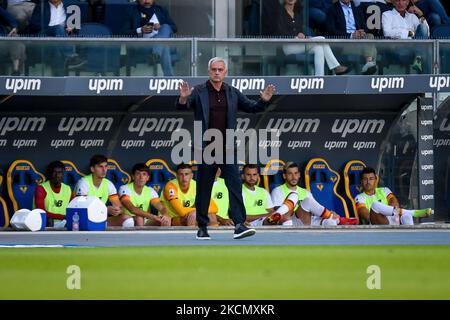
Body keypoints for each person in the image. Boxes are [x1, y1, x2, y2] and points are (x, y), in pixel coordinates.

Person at [177, 56, 276, 240]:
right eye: (213, 69)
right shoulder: (198, 91)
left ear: (225, 72)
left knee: (235, 185)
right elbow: (183, 107)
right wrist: (183, 98)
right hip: (206, 146)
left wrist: (263, 100)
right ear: (208, 72)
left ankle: (239, 224)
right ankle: (202, 227)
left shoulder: (232, 92)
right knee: (204, 188)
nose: (216, 72)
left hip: (228, 146)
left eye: (220, 69)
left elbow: (252, 108)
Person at [277, 0, 350, 76]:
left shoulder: (298, 13)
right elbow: (280, 31)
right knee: (321, 39)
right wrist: (295, 36)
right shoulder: (279, 12)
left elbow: (300, 30)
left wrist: (301, 33)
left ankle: (319, 78)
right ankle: (336, 67)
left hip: (300, 44)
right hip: (287, 46)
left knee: (319, 48)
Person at [271, 162, 357, 226]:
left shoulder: (305, 191)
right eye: (290, 174)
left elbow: (317, 208)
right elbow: (278, 213)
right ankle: (338, 219)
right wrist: (298, 209)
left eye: (296, 173)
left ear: (299, 175)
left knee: (331, 222)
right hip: (292, 221)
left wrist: (329, 214)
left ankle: (335, 220)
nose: (294, 177)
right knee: (307, 202)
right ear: (284, 176)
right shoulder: (278, 191)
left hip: (309, 220)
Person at [355, 167, 433, 225]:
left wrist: (389, 214)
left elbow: (395, 203)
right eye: (365, 179)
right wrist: (383, 213)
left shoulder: (384, 190)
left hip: (393, 219)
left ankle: (411, 241)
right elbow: (367, 216)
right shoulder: (359, 198)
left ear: (376, 180)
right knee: (375, 205)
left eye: (371, 179)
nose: (368, 182)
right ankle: (414, 213)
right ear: (361, 181)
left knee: (407, 216)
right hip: (376, 223)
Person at [29, 0, 86, 76]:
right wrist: (52, 28)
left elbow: (77, 29)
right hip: (44, 37)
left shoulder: (70, 7)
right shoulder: (41, 6)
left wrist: (71, 28)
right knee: (58, 28)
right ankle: (70, 56)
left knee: (57, 50)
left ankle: (59, 81)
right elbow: (33, 25)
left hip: (59, 42)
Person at [122, 0, 177, 76]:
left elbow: (174, 27)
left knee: (166, 27)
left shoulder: (161, 10)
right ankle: (170, 80)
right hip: (143, 45)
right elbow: (124, 32)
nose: (146, 1)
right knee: (164, 45)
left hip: (157, 45)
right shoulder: (131, 11)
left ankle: (156, 53)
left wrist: (160, 27)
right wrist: (140, 30)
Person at [325, 0, 379, 75]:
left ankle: (369, 64)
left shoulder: (356, 9)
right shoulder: (332, 9)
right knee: (373, 49)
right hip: (343, 43)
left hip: (358, 41)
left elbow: (365, 27)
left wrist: (361, 32)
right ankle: (369, 66)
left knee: (370, 36)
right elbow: (330, 31)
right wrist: (351, 35)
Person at [160, 163, 218, 227]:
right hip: (171, 218)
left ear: (191, 175)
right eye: (181, 174)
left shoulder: (197, 186)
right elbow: (181, 212)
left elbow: (215, 208)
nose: (184, 178)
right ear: (176, 175)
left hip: (189, 215)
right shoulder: (170, 186)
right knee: (193, 217)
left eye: (186, 174)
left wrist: (196, 212)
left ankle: (213, 237)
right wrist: (197, 211)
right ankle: (190, 236)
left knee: (212, 217)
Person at [74, 154, 126, 226]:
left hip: (101, 219)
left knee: (126, 218)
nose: (104, 170)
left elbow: (120, 207)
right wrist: (106, 209)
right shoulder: (84, 183)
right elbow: (81, 208)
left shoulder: (108, 184)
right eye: (100, 166)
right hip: (84, 220)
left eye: (105, 166)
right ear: (92, 169)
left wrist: (118, 210)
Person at [382, 0, 430, 72]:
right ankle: (427, 77)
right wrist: (409, 33)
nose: (400, 3)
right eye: (398, 1)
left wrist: (421, 15)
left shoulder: (412, 17)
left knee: (423, 27)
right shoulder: (387, 15)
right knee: (426, 54)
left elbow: (425, 33)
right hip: (397, 50)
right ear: (393, 2)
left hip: (413, 50)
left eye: (403, 0)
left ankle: (418, 59)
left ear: (407, 3)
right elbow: (387, 32)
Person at [118, 163, 171, 227]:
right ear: (133, 177)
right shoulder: (125, 188)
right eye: (138, 174)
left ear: (148, 178)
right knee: (139, 218)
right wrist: (152, 216)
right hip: (129, 220)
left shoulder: (150, 191)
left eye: (144, 174)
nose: (141, 177)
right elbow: (132, 208)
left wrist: (165, 214)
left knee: (166, 220)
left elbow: (161, 207)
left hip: (144, 220)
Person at [34, 161, 73, 228]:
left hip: (64, 222)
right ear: (49, 173)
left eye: (60, 173)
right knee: (49, 220)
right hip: (45, 223)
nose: (57, 175)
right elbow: (41, 213)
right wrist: (63, 217)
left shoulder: (68, 189)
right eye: (54, 172)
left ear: (63, 174)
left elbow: (74, 210)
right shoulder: (41, 188)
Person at [0, 6, 25, 75]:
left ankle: (16, 71)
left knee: (16, 39)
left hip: (2, 42)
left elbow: (11, 19)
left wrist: (14, 27)